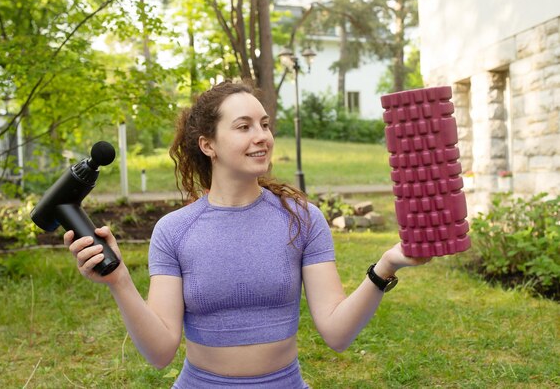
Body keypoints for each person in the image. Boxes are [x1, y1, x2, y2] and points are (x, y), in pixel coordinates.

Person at [65, 81, 430, 388]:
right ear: (208, 145)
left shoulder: (302, 220)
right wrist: (119, 282)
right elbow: (160, 352)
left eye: (265, 124)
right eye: (244, 127)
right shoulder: (174, 231)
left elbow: (337, 332)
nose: (262, 137)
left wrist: (386, 266)